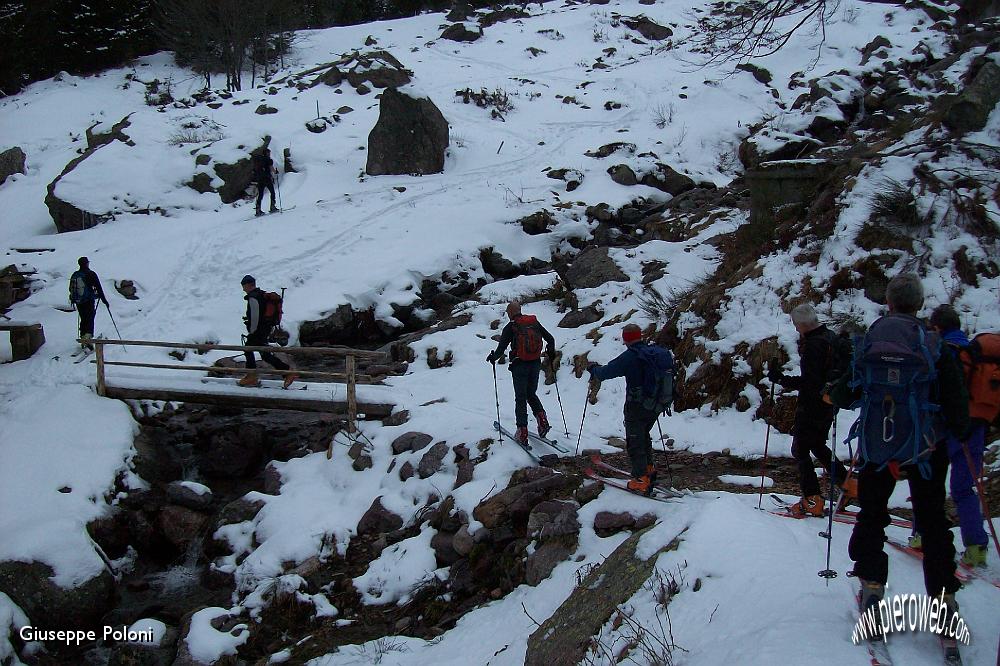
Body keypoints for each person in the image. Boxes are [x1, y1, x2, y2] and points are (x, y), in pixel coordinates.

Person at [826, 274, 969, 634]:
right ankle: (944, 600)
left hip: (878, 446)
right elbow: (955, 402)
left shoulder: (873, 339)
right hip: (926, 448)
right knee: (932, 519)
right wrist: (960, 432)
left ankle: (872, 585)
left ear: (888, 302)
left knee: (873, 514)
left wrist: (831, 394)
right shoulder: (934, 343)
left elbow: (848, 391)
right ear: (920, 305)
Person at [914, 304, 989, 568]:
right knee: (964, 488)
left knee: (929, 484)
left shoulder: (939, 352)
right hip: (976, 427)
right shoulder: (976, 354)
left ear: (937, 327)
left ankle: (921, 534)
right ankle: (976, 546)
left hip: (941, 428)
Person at [767, 303, 856, 517]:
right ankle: (848, 486)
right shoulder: (831, 337)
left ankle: (812, 498)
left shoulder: (814, 345)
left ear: (800, 325)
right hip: (829, 401)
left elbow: (810, 382)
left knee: (800, 449)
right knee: (816, 445)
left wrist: (782, 379)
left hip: (812, 405)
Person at [586, 324, 673, 494]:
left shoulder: (630, 357)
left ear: (625, 338)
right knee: (643, 435)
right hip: (656, 404)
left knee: (634, 441)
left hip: (637, 405)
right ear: (639, 336)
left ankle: (641, 479)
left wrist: (593, 369)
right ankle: (649, 469)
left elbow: (605, 372)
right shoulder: (653, 353)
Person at [487, 301, 555, 445]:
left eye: (507, 312)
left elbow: (500, 350)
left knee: (521, 397)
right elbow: (550, 339)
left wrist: (492, 358)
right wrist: (551, 352)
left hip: (519, 366)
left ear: (510, 313)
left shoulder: (511, 327)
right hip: (535, 363)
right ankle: (542, 419)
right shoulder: (534, 323)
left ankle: (522, 431)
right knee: (531, 394)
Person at [240, 275, 296, 388]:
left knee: (248, 349)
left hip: (258, 331)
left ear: (248, 285)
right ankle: (286, 372)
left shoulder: (253, 297)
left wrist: (252, 331)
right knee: (264, 354)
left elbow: (255, 316)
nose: (243, 289)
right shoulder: (261, 295)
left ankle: (252, 377)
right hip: (264, 330)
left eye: (244, 286)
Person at [68, 256, 108, 349]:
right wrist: (104, 300)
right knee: (90, 317)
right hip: (88, 299)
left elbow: (71, 288)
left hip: (78, 301)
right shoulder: (91, 274)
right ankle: (88, 338)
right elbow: (98, 287)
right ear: (87, 263)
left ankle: (83, 337)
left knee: (83, 317)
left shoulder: (75, 274)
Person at [252, 148, 278, 216]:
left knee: (260, 194)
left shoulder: (259, 160)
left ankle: (258, 210)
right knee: (272, 192)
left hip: (260, 179)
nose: (270, 154)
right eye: (269, 153)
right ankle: (272, 207)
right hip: (267, 178)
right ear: (267, 153)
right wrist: (275, 172)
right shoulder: (268, 160)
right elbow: (271, 168)